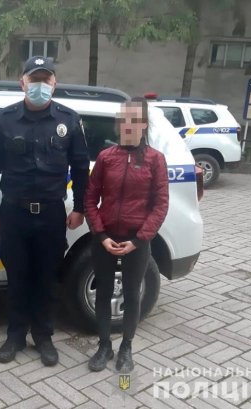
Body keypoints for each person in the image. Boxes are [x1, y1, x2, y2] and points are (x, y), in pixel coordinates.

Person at [0, 56, 90, 366]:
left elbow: (81, 168)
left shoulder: (69, 120)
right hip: (14, 213)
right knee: (17, 276)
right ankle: (15, 335)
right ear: (22, 83)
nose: (40, 85)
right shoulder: (4, 120)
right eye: (34, 79)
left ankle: (43, 336)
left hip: (52, 213)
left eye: (45, 79)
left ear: (54, 83)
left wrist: (80, 207)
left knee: (46, 277)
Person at [84, 98, 169, 372]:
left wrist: (139, 240)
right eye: (123, 120)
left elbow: (160, 205)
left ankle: (126, 347)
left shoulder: (155, 160)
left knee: (132, 294)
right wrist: (100, 235)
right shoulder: (106, 157)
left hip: (136, 240)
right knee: (104, 291)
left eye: (134, 120)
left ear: (143, 124)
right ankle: (104, 345)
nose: (128, 125)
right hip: (106, 237)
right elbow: (90, 199)